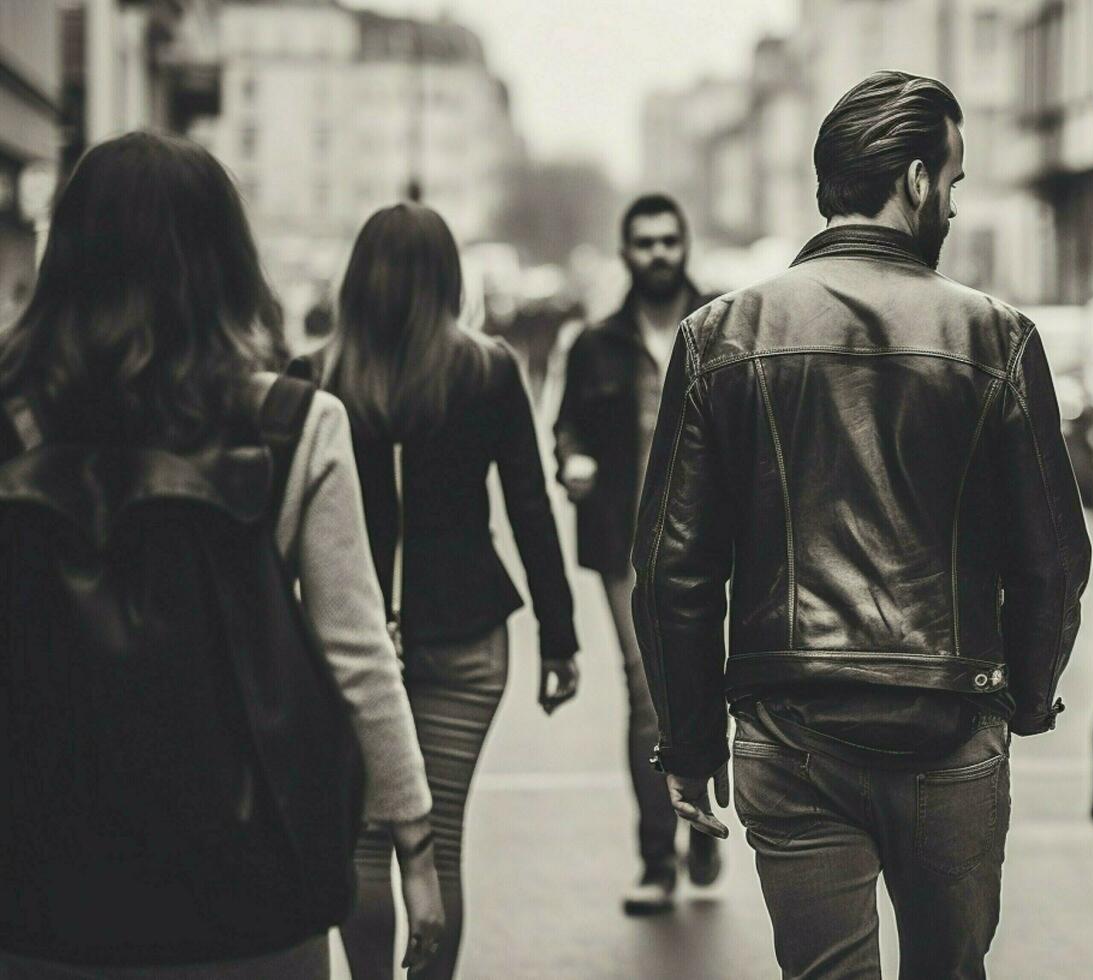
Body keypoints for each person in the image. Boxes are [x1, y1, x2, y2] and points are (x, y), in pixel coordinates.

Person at [632, 71, 1092, 978]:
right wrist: (1025, 695)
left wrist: (688, 742)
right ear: (916, 181)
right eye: (952, 183)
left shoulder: (720, 336)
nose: (952, 209)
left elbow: (674, 569)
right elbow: (1052, 558)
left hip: (787, 722)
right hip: (952, 718)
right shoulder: (995, 339)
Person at [0, 132, 442, 977]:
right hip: (247, 883)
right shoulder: (294, 423)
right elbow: (358, 660)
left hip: (36, 878)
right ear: (227, 261)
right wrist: (414, 841)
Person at [297, 203, 581, 980]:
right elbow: (528, 507)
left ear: (357, 282)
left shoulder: (313, 380)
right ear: (449, 281)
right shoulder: (487, 371)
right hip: (466, 632)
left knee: (361, 841)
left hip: (346, 644)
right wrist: (559, 637)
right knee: (438, 840)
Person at [552, 193, 719, 915]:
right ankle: (657, 859)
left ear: (684, 245)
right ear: (626, 254)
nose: (656, 253)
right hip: (629, 547)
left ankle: (703, 818)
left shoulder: (721, 326)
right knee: (647, 697)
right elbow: (566, 430)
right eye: (643, 243)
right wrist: (572, 463)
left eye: (667, 240)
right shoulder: (595, 344)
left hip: (717, 543)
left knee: (709, 685)